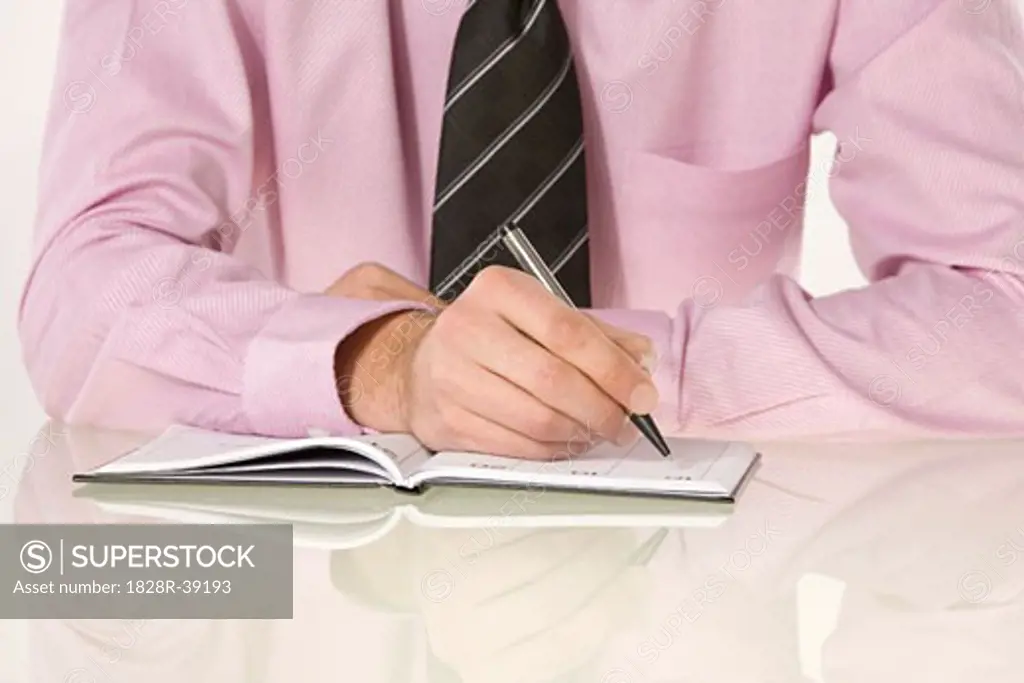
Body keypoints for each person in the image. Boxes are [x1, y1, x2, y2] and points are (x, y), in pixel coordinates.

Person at [19, 0, 1024, 458]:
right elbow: (81, 280)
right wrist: (376, 363)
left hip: (700, 605)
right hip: (310, 601)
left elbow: (1006, 303)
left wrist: (616, 376)